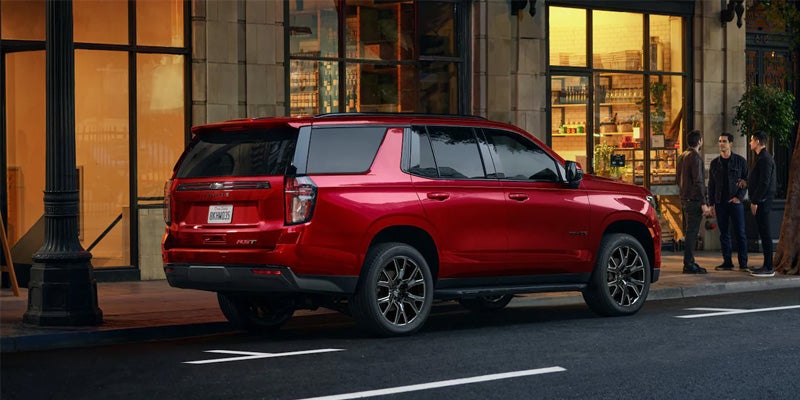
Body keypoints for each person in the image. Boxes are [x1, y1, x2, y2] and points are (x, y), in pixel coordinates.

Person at [707, 133, 749, 272]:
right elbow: (711, 185)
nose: (721, 144)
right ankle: (727, 262)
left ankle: (743, 263)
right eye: (719, 141)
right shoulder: (715, 163)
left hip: (735, 203)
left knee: (740, 233)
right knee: (724, 233)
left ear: (730, 143)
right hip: (720, 203)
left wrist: (739, 197)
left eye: (724, 141)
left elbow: (746, 181)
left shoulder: (740, 161)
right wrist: (711, 204)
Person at [676, 129, 710, 274]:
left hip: (685, 198)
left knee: (689, 231)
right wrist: (704, 203)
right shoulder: (695, 157)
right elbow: (699, 181)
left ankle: (689, 261)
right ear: (699, 141)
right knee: (692, 232)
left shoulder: (682, 156)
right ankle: (688, 263)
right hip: (694, 199)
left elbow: (678, 178)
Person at [747, 131, 777, 277]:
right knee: (764, 233)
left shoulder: (764, 158)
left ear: (757, 141)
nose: (750, 143)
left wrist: (755, 201)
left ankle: (769, 267)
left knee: (765, 234)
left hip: (763, 202)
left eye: (752, 140)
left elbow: (764, 183)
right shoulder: (761, 157)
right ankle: (766, 264)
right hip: (761, 201)